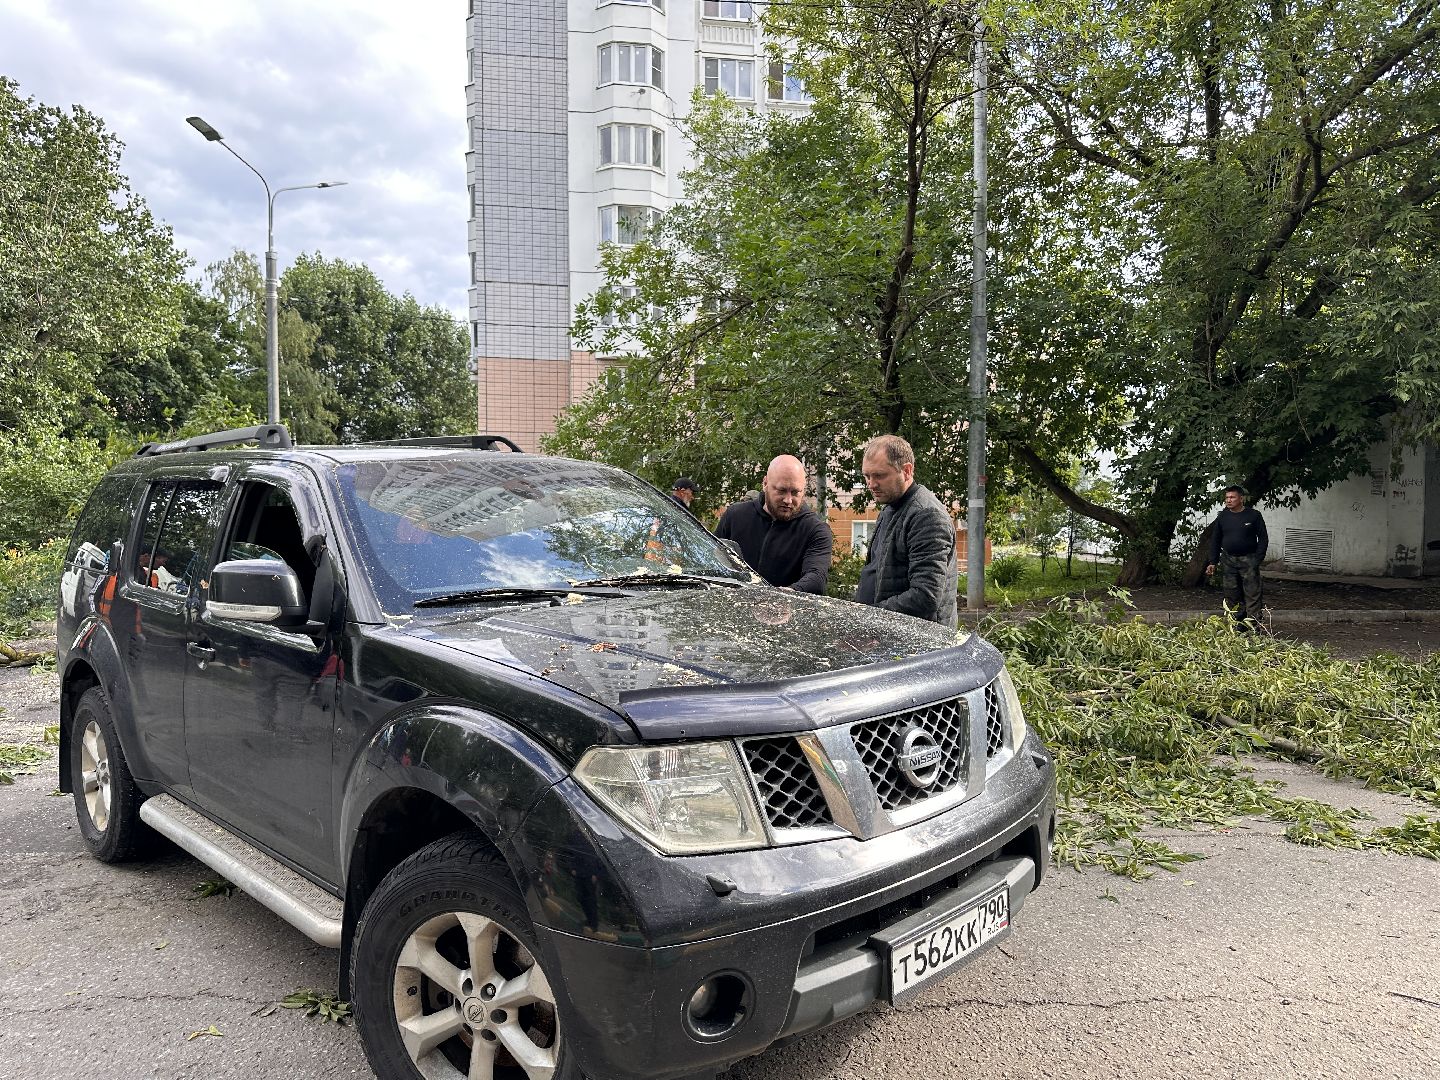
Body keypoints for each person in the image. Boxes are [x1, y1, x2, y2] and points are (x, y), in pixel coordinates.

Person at [854, 435, 958, 628]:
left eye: (879, 475)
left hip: (919, 646)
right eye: (867, 476)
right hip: (885, 634)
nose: (871, 484)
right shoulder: (889, 508)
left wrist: (870, 615)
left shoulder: (927, 515)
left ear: (907, 471)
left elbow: (925, 596)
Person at [715, 456, 832, 594]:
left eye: (795, 492)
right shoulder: (735, 516)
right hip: (733, 609)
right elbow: (710, 560)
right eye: (781, 491)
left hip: (787, 611)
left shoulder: (815, 530)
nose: (788, 500)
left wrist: (784, 595)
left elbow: (816, 578)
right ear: (765, 484)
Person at [1205, 485, 1268, 628]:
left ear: (1241, 498)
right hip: (1228, 561)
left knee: (1252, 594)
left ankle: (1254, 626)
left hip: (1249, 560)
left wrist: (1258, 558)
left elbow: (1263, 538)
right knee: (1231, 594)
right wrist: (1212, 561)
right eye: (1227, 497)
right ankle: (1237, 625)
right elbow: (1215, 539)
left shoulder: (1253, 515)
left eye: (1232, 497)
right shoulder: (1223, 516)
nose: (1229, 500)